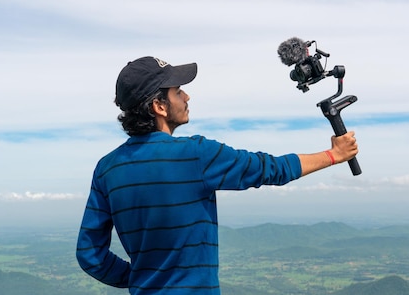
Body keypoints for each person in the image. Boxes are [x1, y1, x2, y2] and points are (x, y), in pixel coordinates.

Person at [76, 56, 358, 294]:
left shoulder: (107, 168)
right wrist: (334, 155)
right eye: (177, 91)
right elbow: (270, 169)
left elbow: (90, 255)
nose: (187, 96)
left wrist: (138, 277)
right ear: (159, 107)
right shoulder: (197, 154)